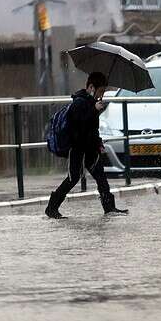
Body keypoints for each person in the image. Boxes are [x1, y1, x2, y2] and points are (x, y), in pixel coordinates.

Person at [45, 72, 128, 219]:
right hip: (77, 149)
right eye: (101, 91)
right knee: (73, 178)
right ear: (91, 87)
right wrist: (94, 110)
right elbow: (79, 126)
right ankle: (52, 207)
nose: (101, 94)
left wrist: (98, 142)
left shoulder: (92, 103)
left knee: (101, 176)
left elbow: (93, 128)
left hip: (90, 149)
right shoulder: (79, 102)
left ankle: (109, 207)